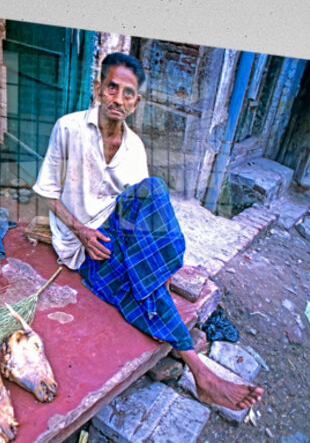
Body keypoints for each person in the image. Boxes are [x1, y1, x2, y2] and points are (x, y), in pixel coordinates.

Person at [32, 52, 263, 411]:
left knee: (152, 192)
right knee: (140, 280)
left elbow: (143, 212)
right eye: (112, 88)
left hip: (115, 232)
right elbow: (45, 191)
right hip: (82, 247)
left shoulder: (134, 147)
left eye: (128, 93)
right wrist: (80, 231)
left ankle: (191, 354)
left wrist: (143, 249)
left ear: (136, 102)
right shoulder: (69, 128)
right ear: (98, 89)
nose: (118, 99)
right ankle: (201, 371)